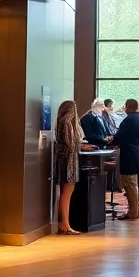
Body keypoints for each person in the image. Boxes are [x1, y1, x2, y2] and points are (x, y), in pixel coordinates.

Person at [52, 100, 93, 234]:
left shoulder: (60, 122)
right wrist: (83, 146)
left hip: (64, 160)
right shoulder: (68, 123)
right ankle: (65, 224)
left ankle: (64, 223)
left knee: (64, 193)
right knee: (67, 193)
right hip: (70, 160)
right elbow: (72, 144)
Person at [111, 99, 139, 220]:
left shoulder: (129, 120)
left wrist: (109, 143)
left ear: (126, 107)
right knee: (133, 182)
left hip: (129, 153)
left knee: (129, 183)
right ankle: (135, 209)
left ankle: (133, 211)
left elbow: (120, 136)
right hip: (136, 151)